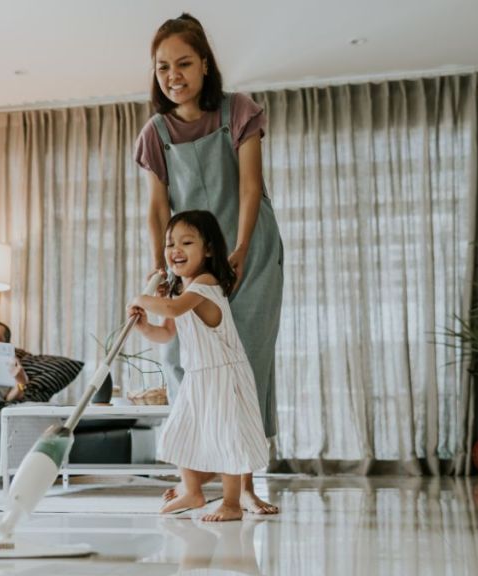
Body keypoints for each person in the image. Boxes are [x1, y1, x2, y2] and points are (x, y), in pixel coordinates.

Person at [134, 13, 283, 514]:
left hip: (249, 249)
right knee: (182, 359)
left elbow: (250, 186)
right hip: (191, 258)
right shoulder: (155, 132)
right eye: (162, 67)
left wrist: (240, 249)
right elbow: (158, 208)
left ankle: (245, 485)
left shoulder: (237, 111)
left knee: (247, 361)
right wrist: (160, 268)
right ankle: (195, 478)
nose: (173, 76)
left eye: (183, 63)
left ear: (204, 64)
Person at [129, 210, 270, 522]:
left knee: (226, 435)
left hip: (223, 373)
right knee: (182, 430)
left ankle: (231, 503)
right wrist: (143, 326)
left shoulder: (206, 283)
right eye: (170, 244)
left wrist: (142, 298)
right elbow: (166, 332)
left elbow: (173, 309)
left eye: (186, 242)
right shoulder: (180, 291)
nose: (175, 250)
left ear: (207, 249)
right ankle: (192, 491)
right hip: (197, 375)